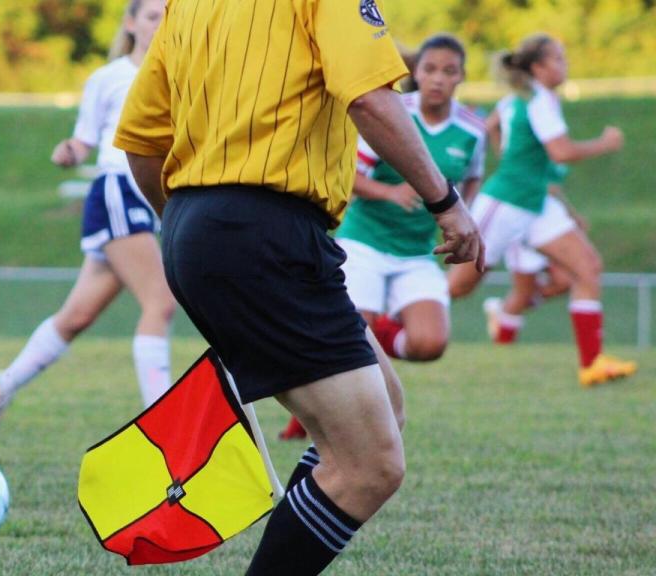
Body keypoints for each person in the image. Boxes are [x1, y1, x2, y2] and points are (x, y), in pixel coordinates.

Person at [115, 1, 483, 574]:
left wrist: (200, 233)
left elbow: (141, 140)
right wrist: (446, 201)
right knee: (369, 466)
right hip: (265, 231)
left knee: (383, 410)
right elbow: (370, 98)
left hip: (200, 224)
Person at [0, 0, 177, 432]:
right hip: (118, 190)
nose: (160, 25)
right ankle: (164, 425)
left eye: (168, 16)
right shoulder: (109, 77)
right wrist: (69, 152)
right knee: (160, 302)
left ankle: (4, 382)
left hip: (152, 198)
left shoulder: (182, 72)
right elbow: (83, 141)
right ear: (130, 23)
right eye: (151, 17)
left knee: (76, 317)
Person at [280, 34, 486, 441]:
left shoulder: (472, 130)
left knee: (429, 344)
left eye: (449, 71)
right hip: (365, 243)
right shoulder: (393, 114)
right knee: (351, 343)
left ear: (462, 76)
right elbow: (348, 176)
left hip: (417, 252)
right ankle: (307, 419)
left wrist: (463, 215)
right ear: (416, 73)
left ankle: (372, 332)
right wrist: (390, 193)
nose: (438, 79)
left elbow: (472, 176)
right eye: (430, 69)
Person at [448, 34, 636, 387]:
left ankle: (592, 364)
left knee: (587, 268)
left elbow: (492, 126)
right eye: (559, 59)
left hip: (536, 202)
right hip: (507, 201)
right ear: (537, 67)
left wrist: (511, 153)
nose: (565, 64)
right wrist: (604, 143)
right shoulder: (536, 100)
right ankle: (386, 327)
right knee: (458, 287)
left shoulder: (525, 98)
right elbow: (561, 152)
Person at [483, 163, 575, 344]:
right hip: (522, 226)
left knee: (566, 281)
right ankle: (503, 344)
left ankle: (503, 308)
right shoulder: (528, 153)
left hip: (547, 226)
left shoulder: (554, 156)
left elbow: (553, 189)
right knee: (522, 294)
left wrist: (571, 214)